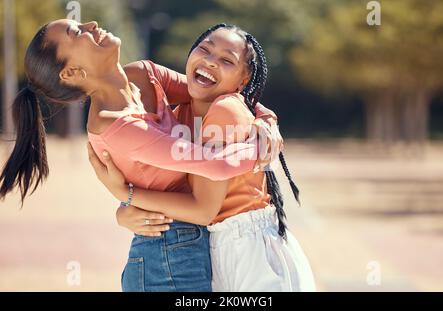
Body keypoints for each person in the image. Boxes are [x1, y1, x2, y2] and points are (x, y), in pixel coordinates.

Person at [0, 19, 281, 292]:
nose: (92, 25)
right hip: (165, 258)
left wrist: (267, 122)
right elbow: (217, 166)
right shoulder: (116, 126)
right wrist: (265, 149)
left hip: (191, 248)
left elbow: (219, 91)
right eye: (77, 33)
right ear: (72, 73)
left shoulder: (142, 74)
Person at [88, 23, 316, 291]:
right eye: (205, 49)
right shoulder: (182, 111)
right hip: (216, 247)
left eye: (226, 60)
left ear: (243, 81)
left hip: (249, 251)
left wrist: (126, 195)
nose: (210, 62)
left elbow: (202, 210)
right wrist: (125, 212)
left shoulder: (225, 110)